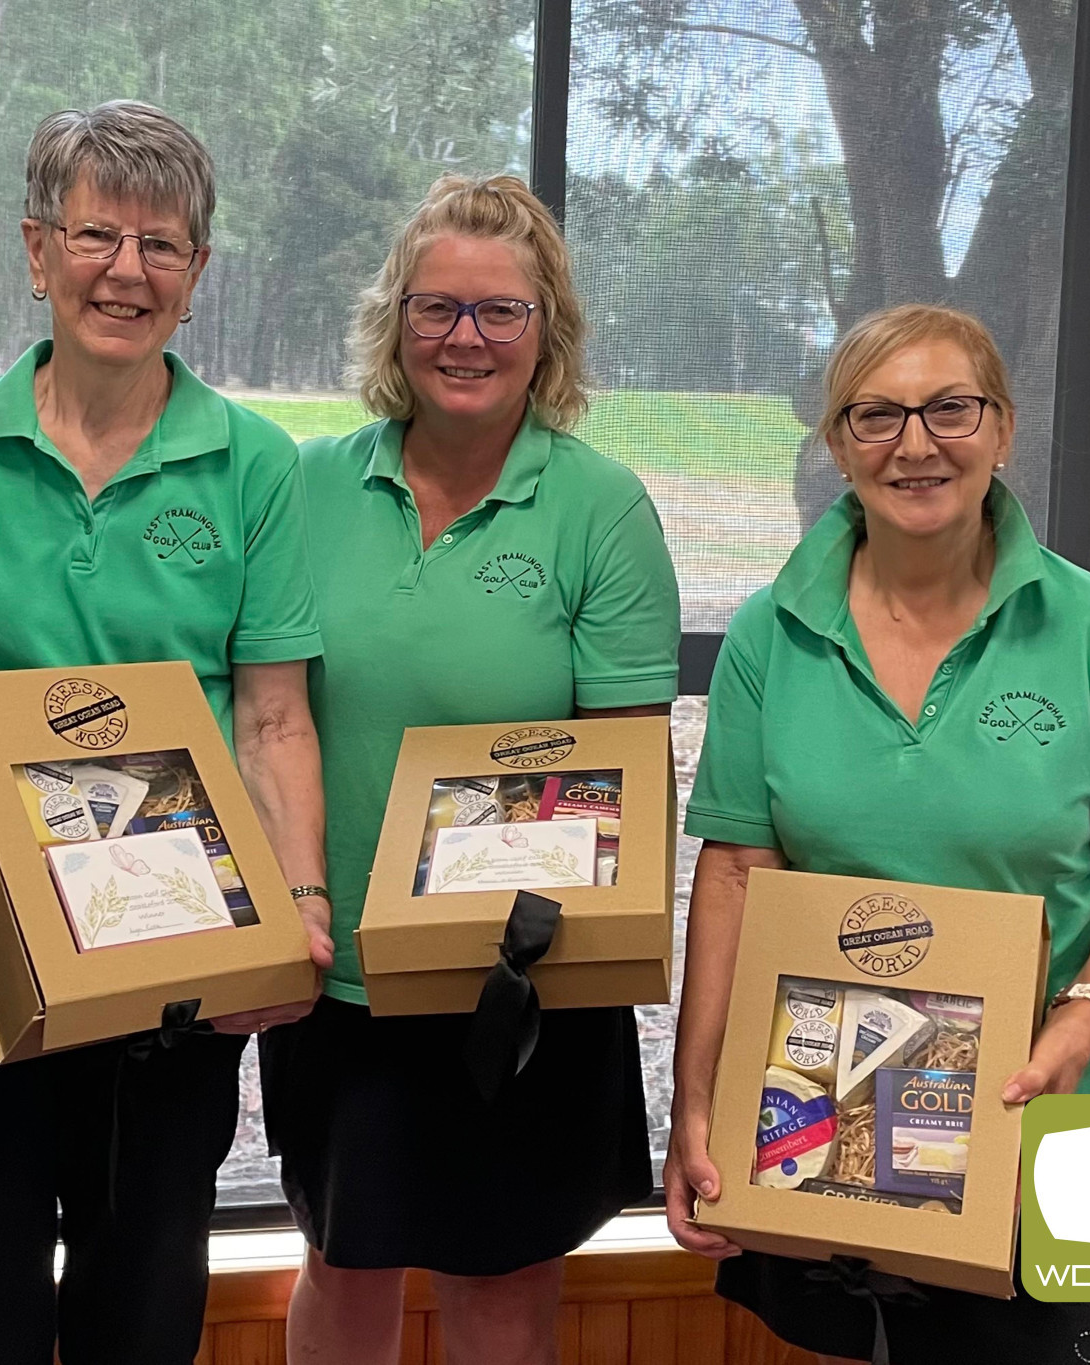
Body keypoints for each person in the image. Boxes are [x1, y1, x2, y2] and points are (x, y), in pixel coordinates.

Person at [0, 100, 333, 1365]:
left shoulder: (255, 463)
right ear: (33, 252)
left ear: (196, 275)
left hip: (175, 946)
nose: (126, 270)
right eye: (96, 235)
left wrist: (299, 901)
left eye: (161, 245)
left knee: (144, 1291)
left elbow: (274, 717)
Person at [664, 303, 1090, 1364]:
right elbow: (737, 876)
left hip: (1083, 1116)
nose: (914, 443)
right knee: (854, 1343)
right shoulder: (767, 630)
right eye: (874, 416)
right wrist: (692, 1103)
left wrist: (1080, 1021)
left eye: (949, 409)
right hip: (839, 1115)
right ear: (835, 444)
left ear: (1003, 429)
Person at [258, 174, 681, 1365]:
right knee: (340, 1267)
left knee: (498, 1295)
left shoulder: (599, 509)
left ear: (547, 331)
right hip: (341, 972)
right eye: (436, 308)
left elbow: (620, 771)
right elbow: (261, 713)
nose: (466, 338)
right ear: (394, 322)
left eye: (500, 312)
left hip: (517, 982)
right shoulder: (303, 486)